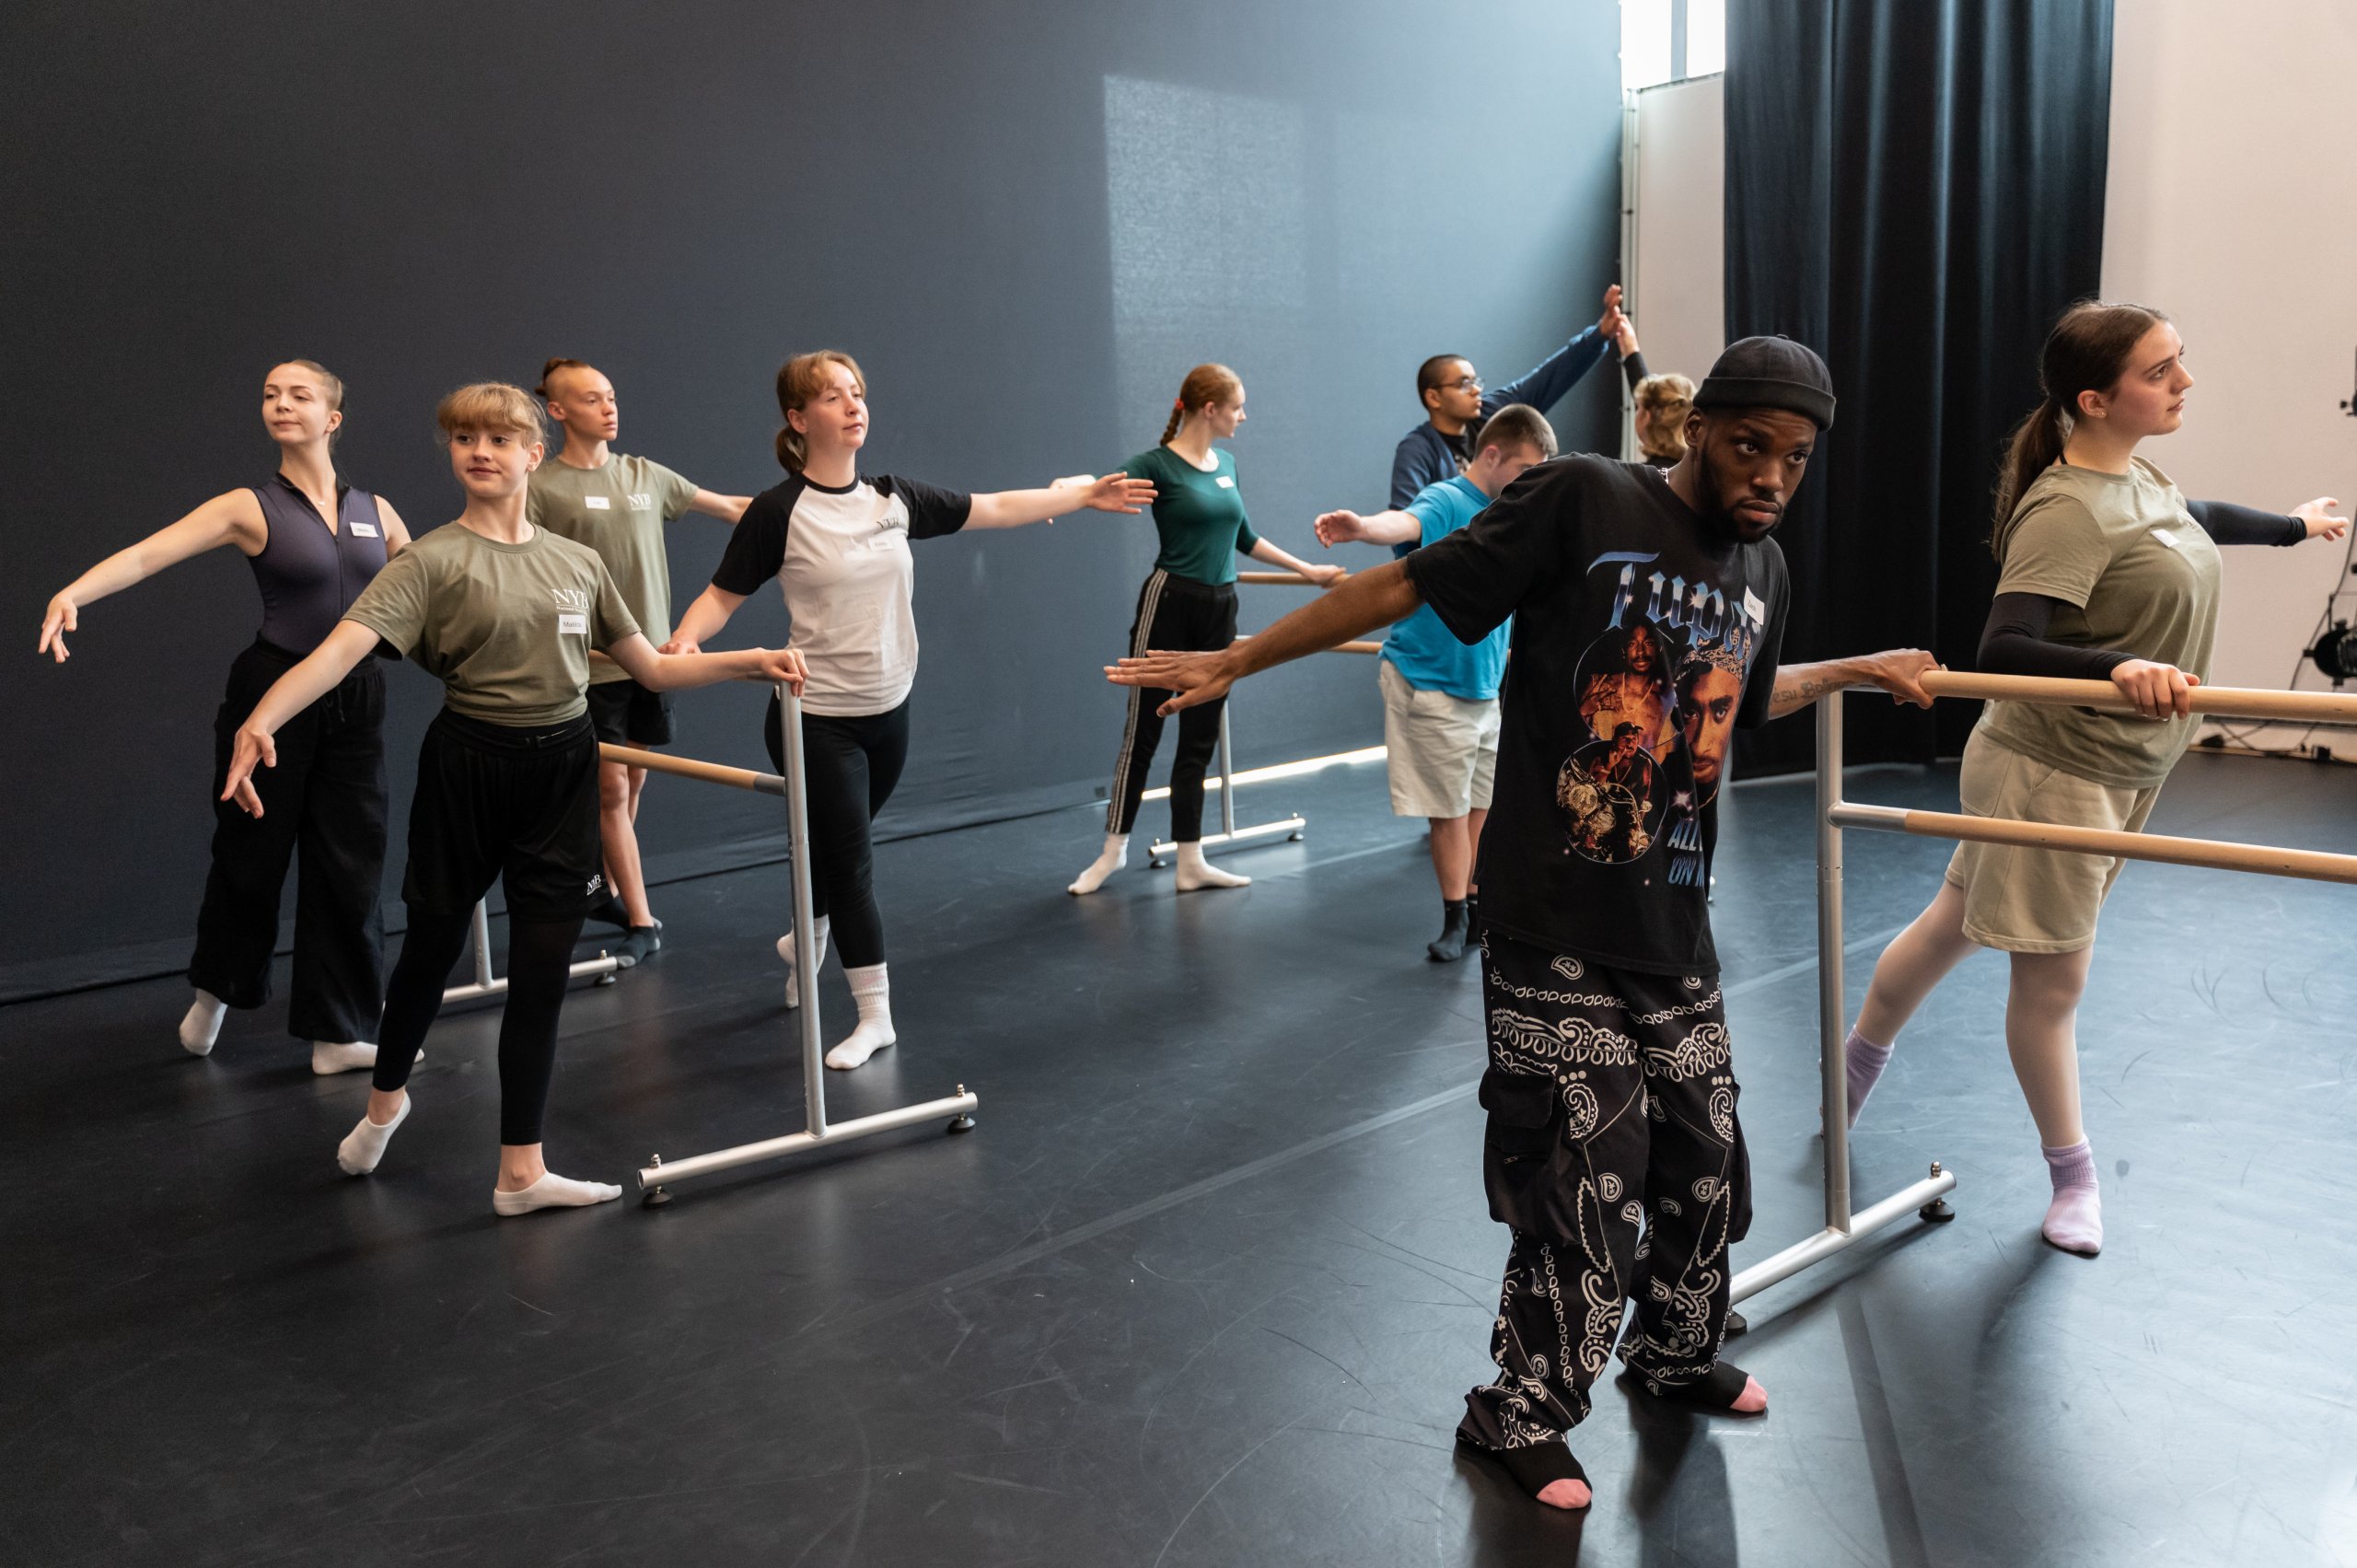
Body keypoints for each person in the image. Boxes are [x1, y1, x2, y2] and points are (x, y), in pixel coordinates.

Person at [1110, 336, 1938, 1513]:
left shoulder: (1767, 573)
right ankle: (1519, 1409)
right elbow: (1412, 581)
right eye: (1749, 445)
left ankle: (1672, 1351)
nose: (1769, 476)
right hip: (1552, 910)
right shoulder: (1588, 494)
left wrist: (1852, 666)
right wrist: (1244, 654)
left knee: (1703, 1163)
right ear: (1698, 426)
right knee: (1584, 1171)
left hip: (1673, 926)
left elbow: (1747, 702)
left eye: (1794, 459)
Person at [221, 382, 806, 1215]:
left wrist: (749, 660)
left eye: (499, 439)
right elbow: (337, 651)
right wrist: (260, 718)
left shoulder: (578, 563)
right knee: (427, 950)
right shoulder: (429, 560)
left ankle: (521, 1172)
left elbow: (654, 669)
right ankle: (386, 1102)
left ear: (535, 453)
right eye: (465, 439)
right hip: (469, 764)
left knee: (540, 971)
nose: (481, 452)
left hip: (561, 764)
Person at [1840, 301, 2349, 1257]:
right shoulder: (2068, 506)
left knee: (1953, 921)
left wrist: (2291, 526)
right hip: (2051, 771)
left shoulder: (2135, 476)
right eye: (2160, 372)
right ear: (2095, 398)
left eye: (2178, 364)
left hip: (2117, 764)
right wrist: (2114, 664)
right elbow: (2002, 643)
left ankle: (1847, 1078)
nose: (2182, 382)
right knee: (2053, 984)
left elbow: (2189, 517)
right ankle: (2072, 1176)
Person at [668, 351, 1155, 1069]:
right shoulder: (779, 512)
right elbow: (721, 595)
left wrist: (1078, 497)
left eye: (858, 392)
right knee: (854, 860)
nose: (853, 405)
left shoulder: (895, 499)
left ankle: (805, 933)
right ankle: (875, 1016)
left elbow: (992, 507)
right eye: (833, 397)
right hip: (816, 718)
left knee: (839, 848)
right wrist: (683, 638)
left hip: (889, 710)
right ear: (800, 420)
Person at [38, 360, 412, 1076]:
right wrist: (75, 592)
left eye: (299, 395)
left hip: (356, 698)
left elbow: (437, 586)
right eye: (271, 394)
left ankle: (339, 1032)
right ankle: (216, 992)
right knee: (252, 852)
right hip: (270, 692)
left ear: (332, 418)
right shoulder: (250, 505)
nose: (281, 404)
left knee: (351, 863)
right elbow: (153, 552)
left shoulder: (378, 510)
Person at [1067, 364, 1343, 899]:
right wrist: (1064, 490)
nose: (1245, 415)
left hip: (1221, 606)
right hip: (1169, 603)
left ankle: (1190, 859)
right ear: (1210, 409)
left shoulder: (1229, 464)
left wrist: (1307, 571)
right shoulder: (1158, 465)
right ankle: (1112, 851)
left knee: (1198, 737)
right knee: (1144, 733)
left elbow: (1244, 537)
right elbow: (1099, 485)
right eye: (1238, 406)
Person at [1311, 403, 1557, 959]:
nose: (1529, 486)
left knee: (1480, 804)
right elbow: (1406, 521)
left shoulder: (1508, 511)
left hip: (1482, 684)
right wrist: (1364, 529)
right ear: (1491, 456)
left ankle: (1475, 905)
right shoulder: (1450, 498)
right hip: (1430, 681)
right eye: (1524, 471)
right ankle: (1454, 916)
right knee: (1447, 810)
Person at [529, 357, 753, 967]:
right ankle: (641, 917)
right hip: (590, 666)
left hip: (654, 665)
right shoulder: (541, 489)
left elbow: (732, 506)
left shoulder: (644, 475)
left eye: (612, 396)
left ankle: (604, 883)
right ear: (558, 410)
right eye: (593, 398)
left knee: (632, 783)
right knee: (608, 790)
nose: (610, 407)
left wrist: (801, 509)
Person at [1390, 285, 1628, 508]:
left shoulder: (1492, 414)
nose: (1476, 390)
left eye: (1475, 381)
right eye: (1464, 384)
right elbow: (1407, 521)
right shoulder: (1417, 449)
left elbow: (1548, 379)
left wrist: (1599, 336)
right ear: (1434, 398)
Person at [1615, 320, 1699, 467]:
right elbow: (1653, 399)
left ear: (1646, 417)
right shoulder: (1698, 472)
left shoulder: (1640, 481)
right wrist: (1631, 352)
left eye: (1638, 407)